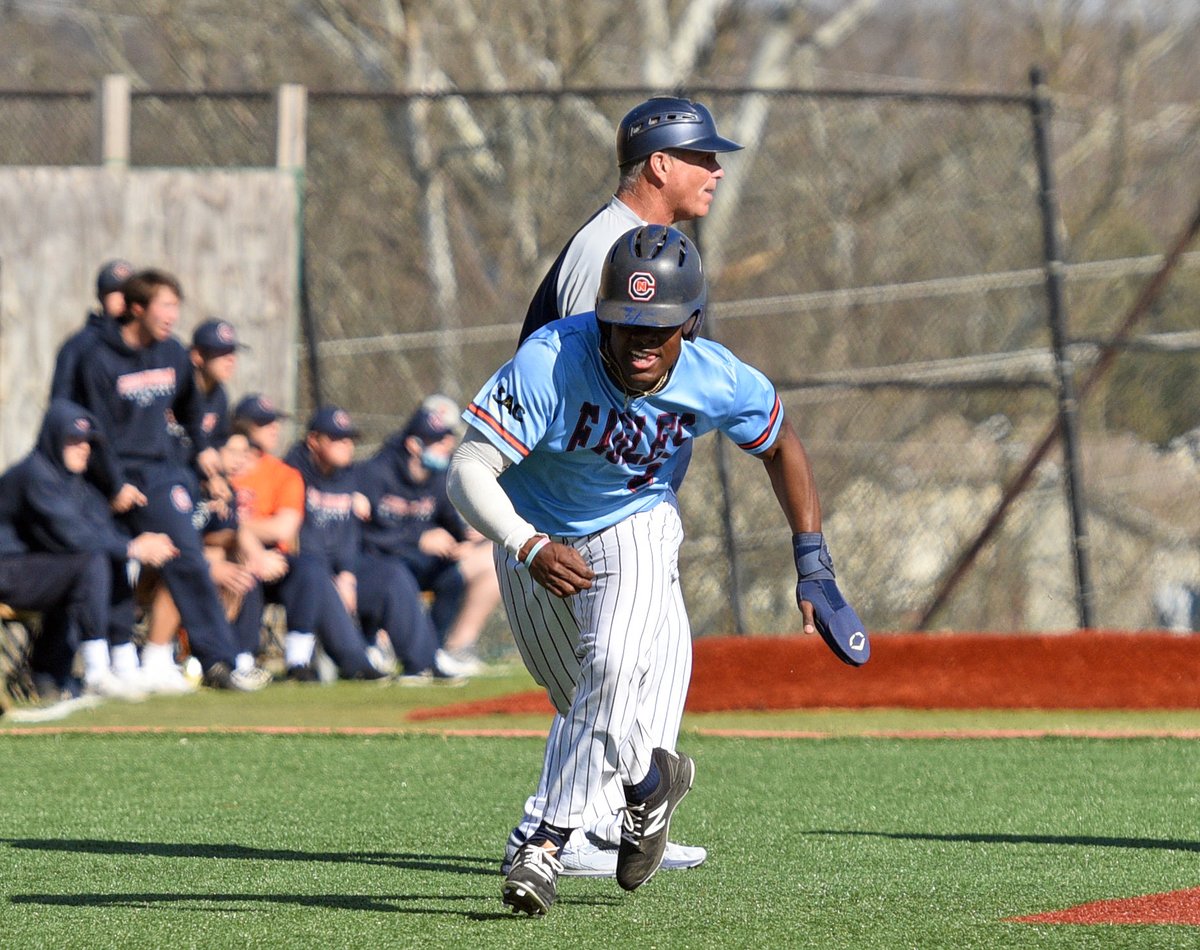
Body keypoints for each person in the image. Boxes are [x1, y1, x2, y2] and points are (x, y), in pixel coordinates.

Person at [447, 225, 868, 915]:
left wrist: (812, 560)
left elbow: (780, 443)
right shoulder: (552, 358)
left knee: (609, 667)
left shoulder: (715, 375)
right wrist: (526, 544)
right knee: (583, 694)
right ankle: (648, 782)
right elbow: (467, 470)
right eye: (625, 325)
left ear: (691, 323)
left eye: (660, 329)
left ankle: (542, 844)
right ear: (601, 315)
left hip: (634, 523)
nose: (641, 343)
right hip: (530, 530)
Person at [504, 95, 742, 879]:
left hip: (633, 498)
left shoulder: (655, 245)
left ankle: (614, 814)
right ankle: (571, 825)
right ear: (660, 165)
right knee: (607, 671)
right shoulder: (607, 248)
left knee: (663, 659)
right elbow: (584, 383)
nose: (714, 169)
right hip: (575, 502)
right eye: (702, 156)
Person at [69, 267, 270, 691]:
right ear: (137, 309)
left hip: (160, 474)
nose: (172, 316)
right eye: (165, 306)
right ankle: (107, 666)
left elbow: (192, 413)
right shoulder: (98, 358)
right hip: (111, 477)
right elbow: (95, 429)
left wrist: (204, 452)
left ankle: (220, 662)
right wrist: (115, 483)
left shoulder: (173, 353)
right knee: (110, 564)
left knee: (189, 556)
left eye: (177, 307)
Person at [0, 400, 178, 701]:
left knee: (106, 554)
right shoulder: (35, 475)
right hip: (7, 569)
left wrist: (136, 545)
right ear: (53, 438)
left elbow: (102, 534)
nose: (82, 448)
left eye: (87, 441)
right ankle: (96, 672)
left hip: (34, 570)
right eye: (73, 440)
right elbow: (73, 536)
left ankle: (111, 663)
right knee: (91, 559)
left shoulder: (77, 483)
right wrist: (135, 547)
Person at [357, 397, 501, 679]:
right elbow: (367, 535)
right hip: (382, 565)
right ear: (414, 445)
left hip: (423, 564)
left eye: (447, 440)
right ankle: (378, 639)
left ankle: (442, 649)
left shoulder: (440, 475)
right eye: (438, 441)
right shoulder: (375, 472)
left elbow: (454, 523)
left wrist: (465, 539)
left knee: (472, 566)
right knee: (395, 575)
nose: (446, 447)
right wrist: (419, 538)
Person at [281, 406, 389, 681]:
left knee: (392, 574)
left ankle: (424, 662)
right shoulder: (293, 471)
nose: (347, 446)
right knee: (315, 571)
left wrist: (347, 574)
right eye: (337, 439)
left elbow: (349, 537)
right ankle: (348, 661)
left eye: (349, 439)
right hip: (299, 565)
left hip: (339, 568)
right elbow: (299, 536)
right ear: (314, 440)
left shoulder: (350, 475)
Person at [50, 259, 134, 402]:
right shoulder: (79, 346)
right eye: (115, 291)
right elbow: (62, 404)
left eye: (129, 292)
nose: (124, 298)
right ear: (101, 297)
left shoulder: (152, 344)